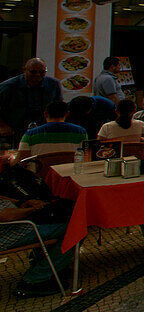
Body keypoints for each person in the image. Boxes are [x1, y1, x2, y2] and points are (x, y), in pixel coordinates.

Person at [0, 152, 75, 297]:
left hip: (14, 225)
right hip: (10, 233)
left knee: (55, 218)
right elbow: (5, 216)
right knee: (73, 227)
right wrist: (31, 209)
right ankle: (35, 279)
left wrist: (21, 202)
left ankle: (49, 263)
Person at [0, 58, 63, 141]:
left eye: (42, 72)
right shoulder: (8, 86)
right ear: (24, 70)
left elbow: (59, 107)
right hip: (14, 131)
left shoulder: (53, 84)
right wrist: (2, 126)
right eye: (33, 72)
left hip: (44, 130)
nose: (37, 75)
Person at [17, 101, 87, 160]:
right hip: (69, 174)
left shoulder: (30, 134)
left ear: (45, 114)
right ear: (67, 114)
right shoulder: (81, 132)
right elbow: (86, 156)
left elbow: (21, 161)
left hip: (39, 174)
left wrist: (10, 159)